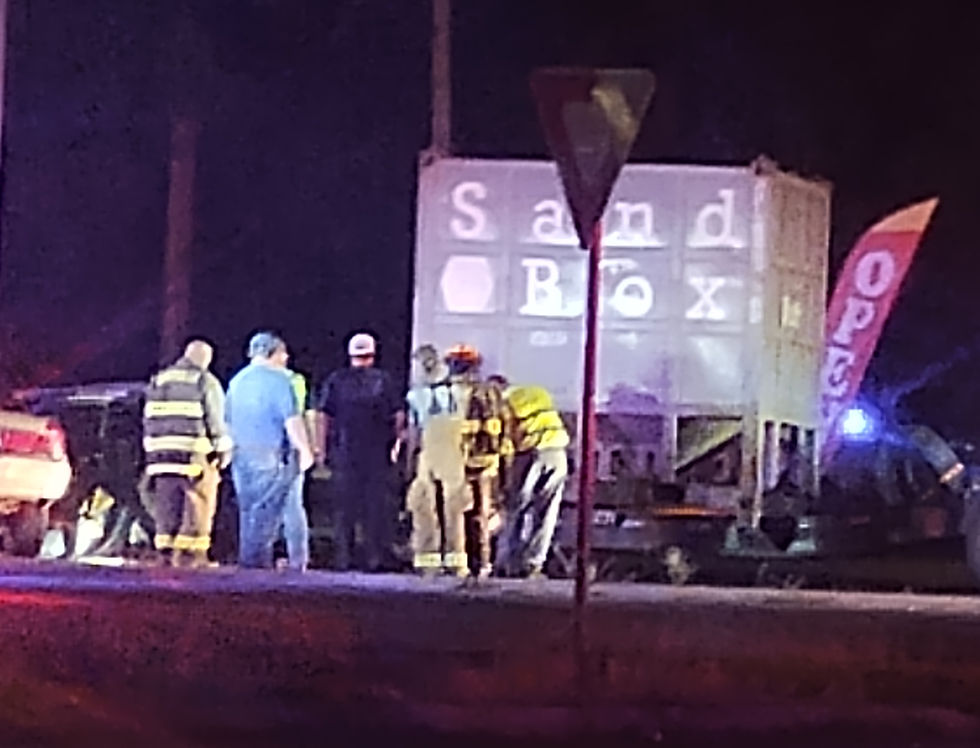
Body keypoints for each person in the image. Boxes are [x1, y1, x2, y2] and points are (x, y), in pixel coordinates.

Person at [314, 332, 403, 571]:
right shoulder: (383, 380)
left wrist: (321, 449)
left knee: (344, 508)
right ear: (373, 354)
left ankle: (344, 558)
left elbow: (324, 417)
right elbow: (398, 416)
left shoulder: (336, 380)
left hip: (344, 452)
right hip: (376, 454)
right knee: (375, 507)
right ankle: (374, 558)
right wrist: (395, 445)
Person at [226, 332, 314, 569]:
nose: (285, 359)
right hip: (274, 454)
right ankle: (296, 563)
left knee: (248, 511)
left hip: (242, 456)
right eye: (282, 354)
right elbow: (292, 420)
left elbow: (227, 421)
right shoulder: (280, 381)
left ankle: (250, 563)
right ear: (271, 353)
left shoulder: (236, 381)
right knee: (287, 509)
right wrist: (304, 449)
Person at [143, 339, 233, 568]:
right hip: (193, 456)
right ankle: (191, 555)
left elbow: (148, 418)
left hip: (160, 456)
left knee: (167, 504)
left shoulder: (159, 379)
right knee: (198, 502)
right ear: (205, 359)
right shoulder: (204, 380)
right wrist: (223, 449)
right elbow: (215, 418)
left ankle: (165, 551)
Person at [444, 344, 510, 579]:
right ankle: (481, 563)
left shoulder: (442, 392)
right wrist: (502, 465)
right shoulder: (489, 392)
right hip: (483, 464)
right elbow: (500, 429)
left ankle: (459, 564)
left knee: (455, 515)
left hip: (454, 462)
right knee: (481, 515)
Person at [404, 344, 470, 576]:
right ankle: (455, 561)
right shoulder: (461, 392)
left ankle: (430, 562)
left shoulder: (416, 395)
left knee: (424, 504)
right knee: (453, 507)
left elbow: (414, 432)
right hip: (451, 451)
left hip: (430, 451)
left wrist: (409, 463)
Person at [494, 381, 569, 579]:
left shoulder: (503, 404)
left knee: (516, 509)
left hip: (531, 453)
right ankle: (534, 564)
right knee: (547, 512)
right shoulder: (538, 393)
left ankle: (506, 563)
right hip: (557, 454)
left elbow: (505, 441)